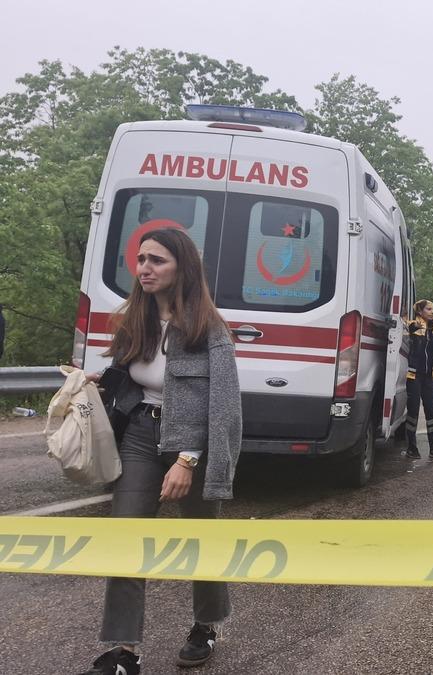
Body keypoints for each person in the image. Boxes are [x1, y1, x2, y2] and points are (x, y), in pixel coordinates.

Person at [80, 228, 241, 675]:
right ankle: (124, 652)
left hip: (191, 444)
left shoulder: (210, 329)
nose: (144, 269)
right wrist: (96, 380)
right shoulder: (136, 318)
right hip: (139, 435)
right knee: (126, 537)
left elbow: (224, 406)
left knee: (202, 538)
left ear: (181, 267)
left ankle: (206, 625)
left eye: (157, 260)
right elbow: (132, 376)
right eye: (141, 259)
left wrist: (188, 459)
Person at [405, 300, 433, 460]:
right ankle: (411, 447)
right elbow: (409, 329)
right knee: (413, 412)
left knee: (431, 413)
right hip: (414, 376)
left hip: (429, 377)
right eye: (428, 309)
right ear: (420, 311)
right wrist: (419, 327)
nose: (432, 312)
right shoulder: (413, 325)